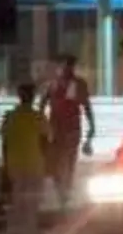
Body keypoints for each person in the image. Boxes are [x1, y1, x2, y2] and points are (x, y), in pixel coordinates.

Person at [39, 54, 95, 208]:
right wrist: (41, 125)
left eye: (69, 66)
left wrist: (91, 129)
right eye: (64, 65)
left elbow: (87, 106)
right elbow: (42, 104)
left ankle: (66, 190)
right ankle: (61, 190)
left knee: (69, 160)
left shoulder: (79, 84)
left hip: (72, 128)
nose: (67, 69)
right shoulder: (52, 84)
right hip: (55, 128)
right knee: (55, 161)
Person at [2, 83, 50, 234]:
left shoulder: (10, 117)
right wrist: (46, 161)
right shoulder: (38, 117)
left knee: (17, 200)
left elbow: (5, 144)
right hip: (34, 163)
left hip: (14, 164)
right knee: (31, 201)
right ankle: (30, 233)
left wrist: (5, 165)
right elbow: (45, 141)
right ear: (33, 97)